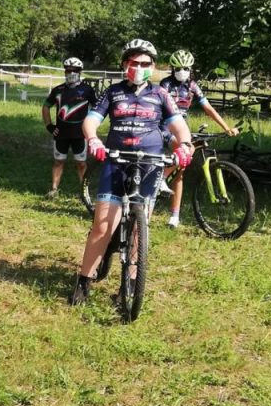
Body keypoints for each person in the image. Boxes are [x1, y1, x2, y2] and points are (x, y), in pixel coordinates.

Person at [70, 39, 193, 307]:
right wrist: (93, 139)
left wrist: (184, 145)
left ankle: (130, 286)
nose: (139, 68)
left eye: (145, 64)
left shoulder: (161, 95)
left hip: (149, 163)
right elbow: (91, 120)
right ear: (125, 65)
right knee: (103, 226)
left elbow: (179, 126)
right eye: (134, 63)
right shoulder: (113, 93)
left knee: (139, 229)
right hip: (116, 160)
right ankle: (84, 280)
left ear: (153, 67)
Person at [159, 49, 239, 228]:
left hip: (182, 129)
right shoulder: (166, 84)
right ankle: (161, 177)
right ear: (173, 68)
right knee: (186, 151)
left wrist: (226, 128)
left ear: (190, 69)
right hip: (164, 127)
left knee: (180, 171)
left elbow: (208, 108)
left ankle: (174, 215)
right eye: (179, 67)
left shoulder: (192, 86)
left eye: (186, 68)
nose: (182, 71)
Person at [42, 56, 96, 197]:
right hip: (61, 134)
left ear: (80, 72)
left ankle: (85, 193)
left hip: (80, 134)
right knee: (58, 161)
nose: (71, 72)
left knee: (81, 164)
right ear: (65, 71)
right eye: (68, 70)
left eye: (75, 70)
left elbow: (98, 110)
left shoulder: (87, 90)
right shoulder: (58, 90)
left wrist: (91, 128)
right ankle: (54, 189)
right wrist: (49, 126)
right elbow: (46, 106)